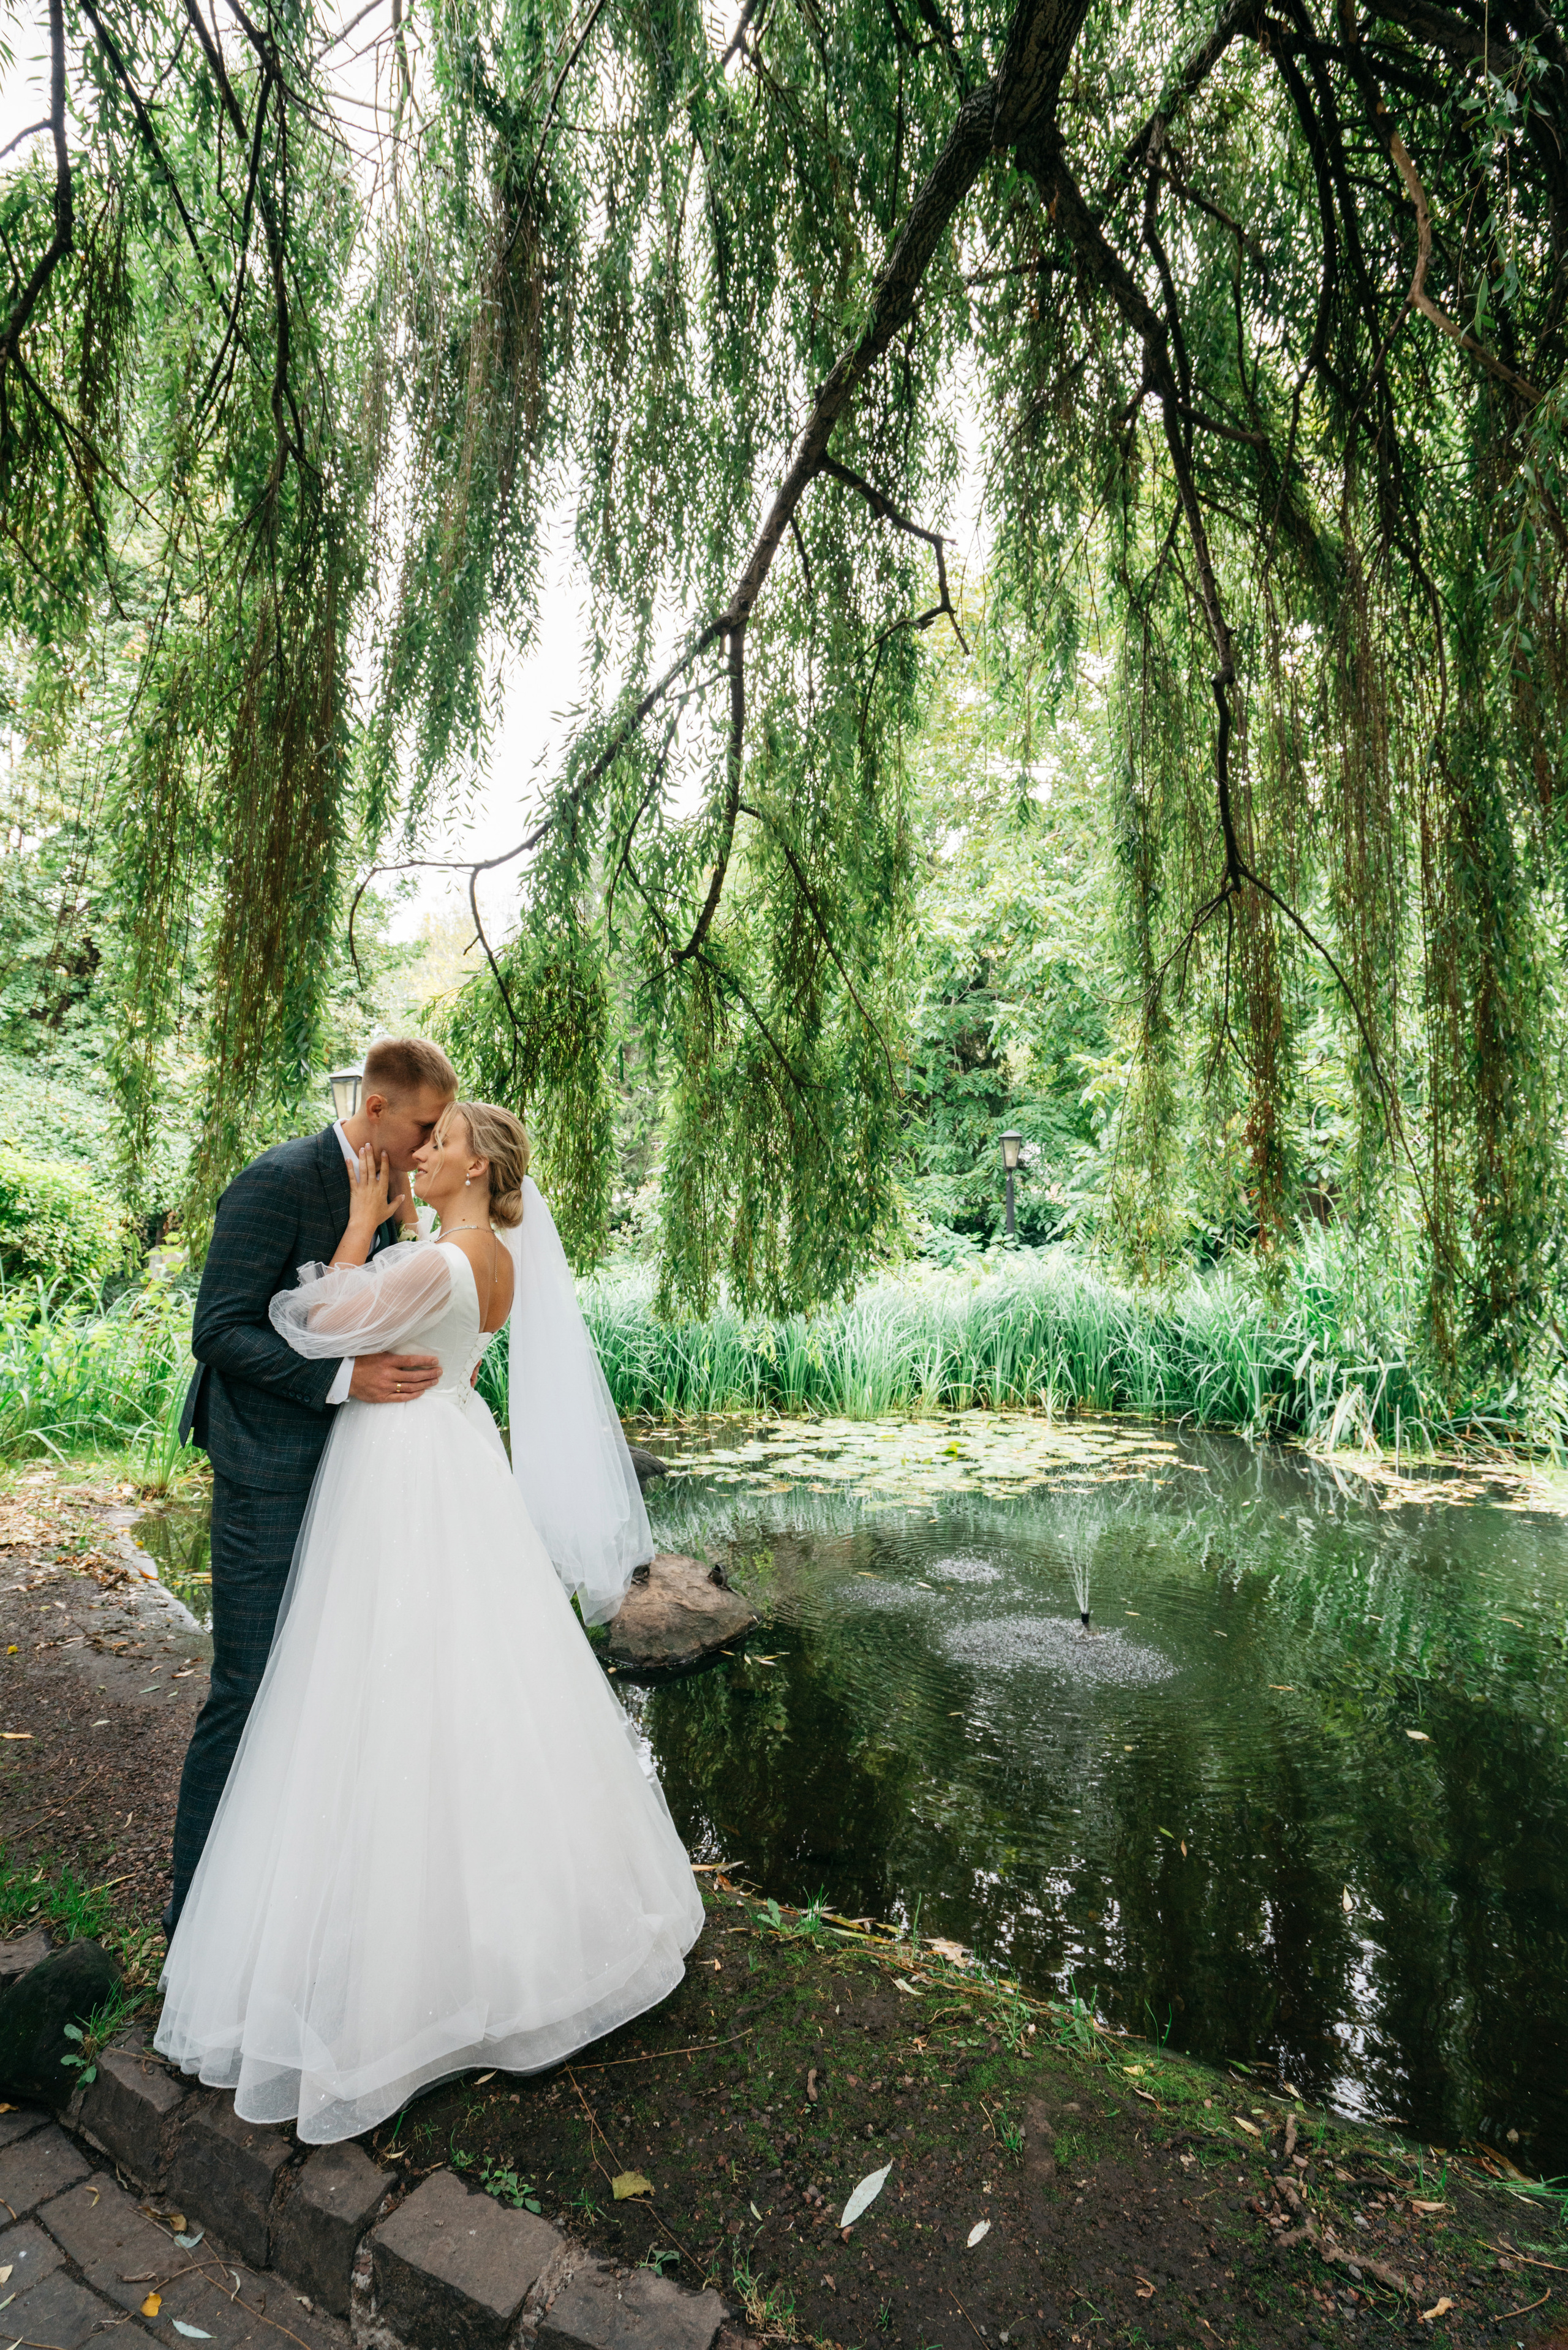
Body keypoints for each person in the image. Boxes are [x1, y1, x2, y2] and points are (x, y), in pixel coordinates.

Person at [155, 1101, 703, 2142]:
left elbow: (307, 1322)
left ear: (475, 1167)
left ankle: (396, 1956)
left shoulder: (433, 1263)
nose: (425, 1152)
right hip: (453, 1458)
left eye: (443, 1142)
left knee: (377, 1682)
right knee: (475, 1686)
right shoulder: (487, 1257)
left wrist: (359, 1224)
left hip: (402, 1478)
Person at [166, 1038, 458, 1935]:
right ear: (376, 1109)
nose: (431, 1140)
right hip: (267, 1466)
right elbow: (218, 1330)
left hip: (359, 1475)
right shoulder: (277, 1178)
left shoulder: (400, 1189)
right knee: (250, 1684)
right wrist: (345, 1380)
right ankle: (194, 1923)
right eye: (423, 1125)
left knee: (330, 1686)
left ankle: (292, 1904)